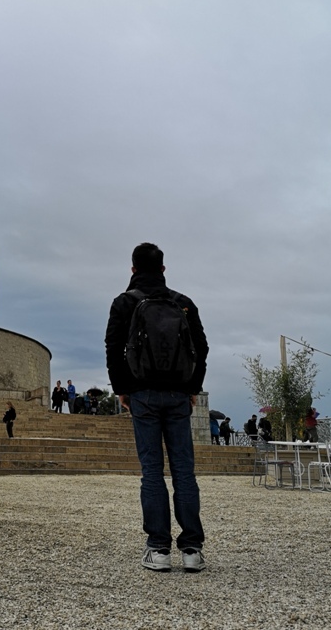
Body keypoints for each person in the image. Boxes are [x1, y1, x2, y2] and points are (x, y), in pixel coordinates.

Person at [105, 242, 209, 573]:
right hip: (179, 395)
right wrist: (192, 387)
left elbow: (114, 349)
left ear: (132, 270)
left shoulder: (124, 302)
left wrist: (123, 390)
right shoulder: (183, 304)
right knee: (183, 470)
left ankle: (158, 549)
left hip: (143, 395)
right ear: (163, 269)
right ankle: (192, 549)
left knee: (152, 471)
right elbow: (202, 348)